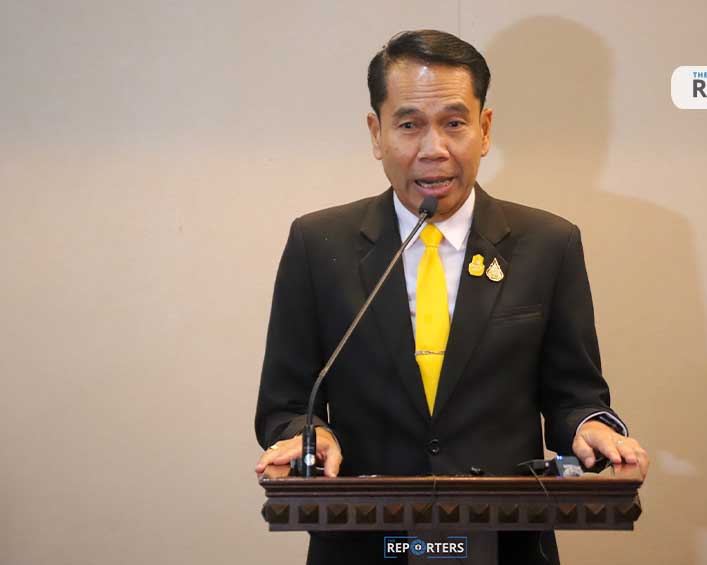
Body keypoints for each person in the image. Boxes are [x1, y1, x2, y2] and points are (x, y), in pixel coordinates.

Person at [254, 29, 649, 564]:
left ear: (484, 130)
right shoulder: (318, 244)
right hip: (362, 543)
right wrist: (309, 435)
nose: (433, 149)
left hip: (506, 541)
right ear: (376, 134)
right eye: (409, 124)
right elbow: (285, 403)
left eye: (454, 124)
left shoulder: (548, 244)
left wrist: (591, 427)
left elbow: (574, 396)